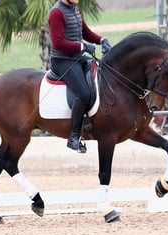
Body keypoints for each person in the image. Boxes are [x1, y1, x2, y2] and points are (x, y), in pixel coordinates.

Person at [48, 0, 111, 153]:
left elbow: (85, 32)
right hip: (62, 61)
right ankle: (74, 137)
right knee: (84, 93)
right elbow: (58, 43)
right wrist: (83, 46)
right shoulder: (56, 12)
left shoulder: (75, 8)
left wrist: (101, 40)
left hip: (78, 58)